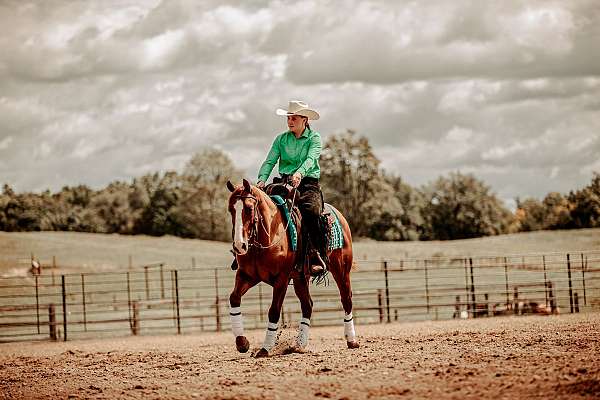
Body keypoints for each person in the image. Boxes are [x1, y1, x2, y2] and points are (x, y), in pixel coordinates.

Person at [231, 100, 327, 276]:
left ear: (305, 120)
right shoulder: (281, 139)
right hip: (282, 182)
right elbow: (270, 161)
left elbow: (311, 159)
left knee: (311, 212)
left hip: (307, 183)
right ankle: (246, 251)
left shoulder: (315, 139)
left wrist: (299, 173)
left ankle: (315, 255)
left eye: (295, 118)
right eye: (289, 118)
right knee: (256, 206)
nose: (290, 121)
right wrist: (261, 180)